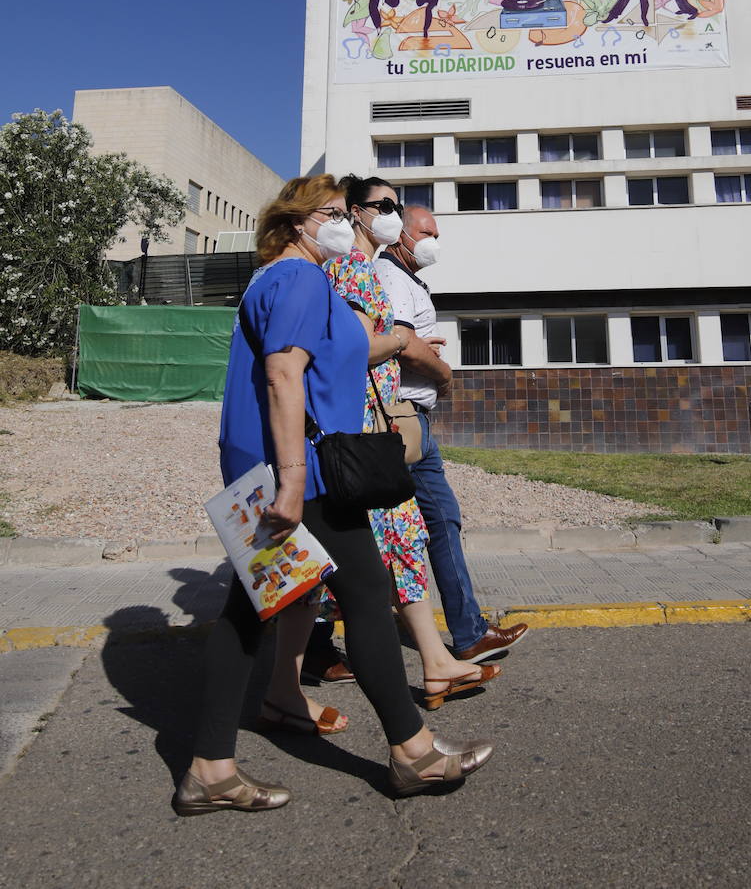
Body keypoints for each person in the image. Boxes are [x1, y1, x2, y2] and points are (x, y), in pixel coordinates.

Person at [173, 174, 493, 814]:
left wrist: (397, 342)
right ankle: (414, 752)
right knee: (367, 596)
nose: (347, 222)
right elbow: (284, 373)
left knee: (250, 613)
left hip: (279, 470)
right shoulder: (298, 279)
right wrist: (292, 483)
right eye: (333, 213)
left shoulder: (286, 282)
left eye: (348, 213)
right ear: (296, 223)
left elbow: (329, 357)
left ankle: (210, 768)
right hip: (305, 474)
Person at [323, 174, 501, 709]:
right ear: (356, 212)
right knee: (369, 547)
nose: (393, 217)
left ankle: (436, 660)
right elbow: (355, 348)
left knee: (402, 535)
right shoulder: (352, 269)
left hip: (382, 419)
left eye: (397, 208)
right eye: (385, 207)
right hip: (362, 426)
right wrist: (407, 343)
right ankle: (301, 671)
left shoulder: (372, 272)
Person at [376, 206, 529, 663]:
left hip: (412, 417)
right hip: (403, 417)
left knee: (431, 522)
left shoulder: (408, 279)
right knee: (439, 519)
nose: (433, 241)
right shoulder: (392, 277)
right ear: (399, 234)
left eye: (437, 234)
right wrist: (442, 373)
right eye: (426, 232)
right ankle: (468, 633)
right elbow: (403, 343)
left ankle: (467, 631)